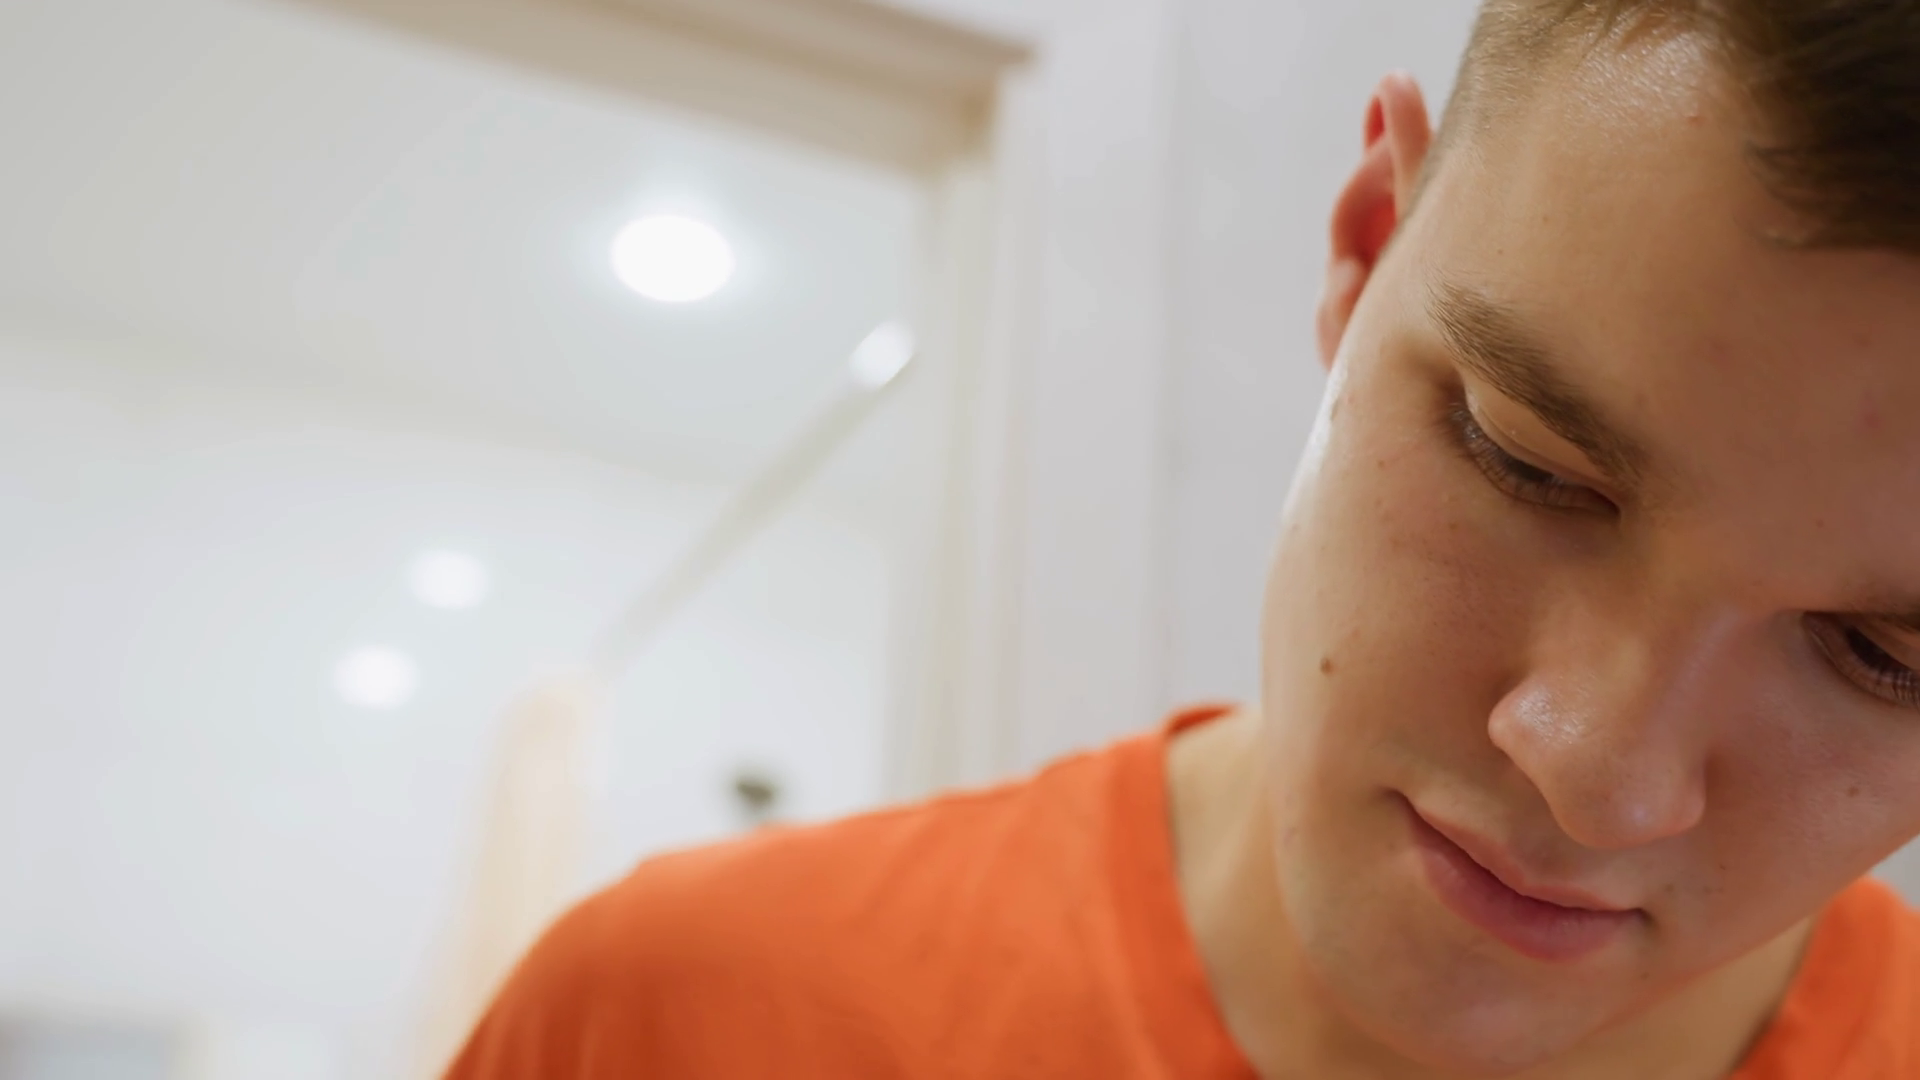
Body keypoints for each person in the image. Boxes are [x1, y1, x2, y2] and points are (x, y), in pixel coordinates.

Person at [446, 1, 1920, 1076]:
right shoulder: (672, 1017)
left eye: (1879, 656)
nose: (1597, 777)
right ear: (1366, 246)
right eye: (1527, 463)